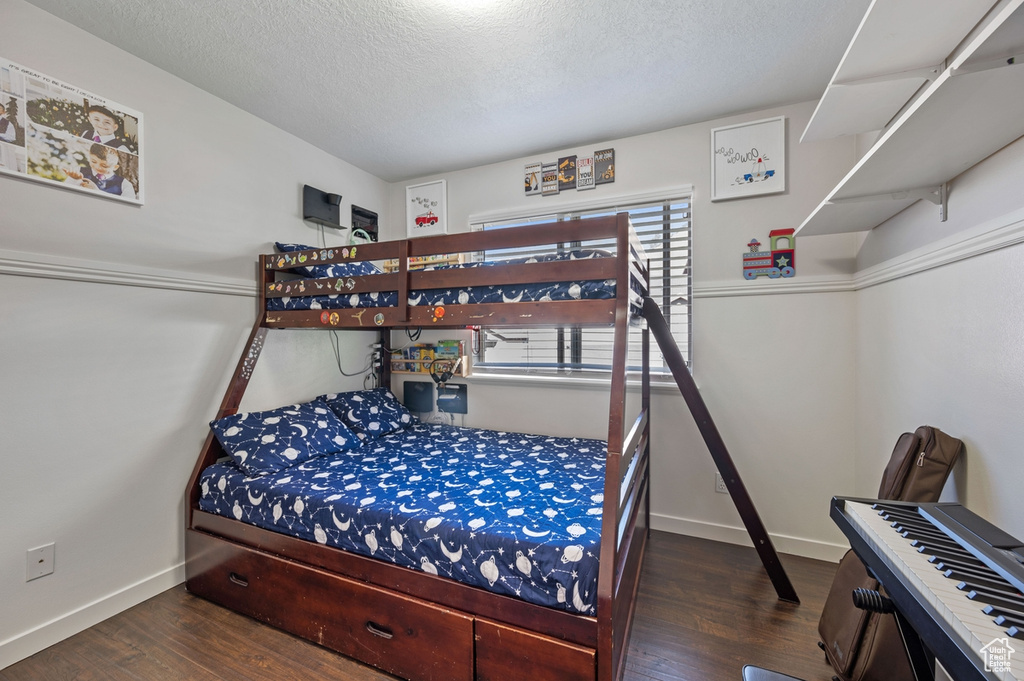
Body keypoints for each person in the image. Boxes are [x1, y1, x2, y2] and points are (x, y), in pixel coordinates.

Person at [63, 143, 137, 199]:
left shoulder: (124, 184)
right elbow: (65, 194)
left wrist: (96, 191)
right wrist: (73, 180)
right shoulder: (79, 171)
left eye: (104, 165)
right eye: (93, 161)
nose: (97, 167)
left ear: (115, 167)